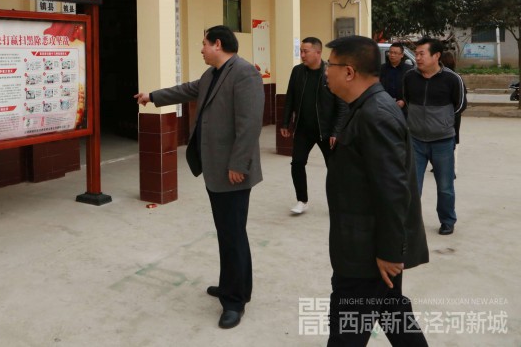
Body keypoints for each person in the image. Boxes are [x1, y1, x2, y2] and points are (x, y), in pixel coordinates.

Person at [133, 26, 264, 330]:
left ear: (218, 44)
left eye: (204, 44)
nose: (201, 49)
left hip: (232, 171)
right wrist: (152, 96)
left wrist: (239, 164)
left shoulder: (244, 73)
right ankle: (232, 284)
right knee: (228, 232)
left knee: (233, 234)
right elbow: (187, 90)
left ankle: (234, 301)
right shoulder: (212, 75)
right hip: (215, 168)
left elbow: (249, 124)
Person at [324, 35, 429, 346]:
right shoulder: (365, 106)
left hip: (367, 254)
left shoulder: (375, 114)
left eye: (330, 65)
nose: (326, 72)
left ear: (349, 72)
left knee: (347, 331)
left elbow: (393, 190)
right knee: (393, 315)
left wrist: (390, 252)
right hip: (364, 244)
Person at [403, 37, 466, 236]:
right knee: (412, 186)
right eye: (416, 54)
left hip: (443, 141)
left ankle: (447, 220)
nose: (417, 58)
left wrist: (441, 122)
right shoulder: (409, 77)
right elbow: (406, 100)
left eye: (421, 54)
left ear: (436, 56)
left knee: (445, 186)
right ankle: (411, 222)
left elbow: (460, 105)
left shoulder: (452, 79)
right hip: (415, 140)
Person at [279, 37, 347, 215]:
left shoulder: (330, 72)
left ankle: (338, 202)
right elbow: (290, 98)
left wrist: (336, 131)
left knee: (334, 168)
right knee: (297, 163)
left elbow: (342, 105)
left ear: (318, 52)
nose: (302, 55)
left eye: (305, 51)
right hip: (303, 129)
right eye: (301, 51)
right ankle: (302, 200)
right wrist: (285, 122)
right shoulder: (297, 71)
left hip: (326, 131)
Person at [379, 42, 413, 112]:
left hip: (402, 108)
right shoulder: (381, 69)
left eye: (395, 53)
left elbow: (411, 89)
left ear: (402, 55)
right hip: (384, 106)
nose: (392, 55)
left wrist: (404, 101)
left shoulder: (408, 70)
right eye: (390, 52)